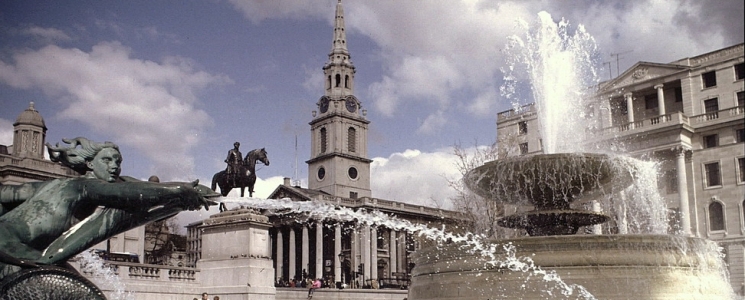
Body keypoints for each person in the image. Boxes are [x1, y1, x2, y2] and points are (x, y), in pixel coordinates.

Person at [0, 137, 215, 279]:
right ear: (91, 164)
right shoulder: (85, 186)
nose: (114, 166)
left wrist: (185, 194)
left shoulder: (53, 184)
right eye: (107, 160)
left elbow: (5, 193)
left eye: (117, 161)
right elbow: (129, 193)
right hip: (13, 249)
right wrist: (179, 191)